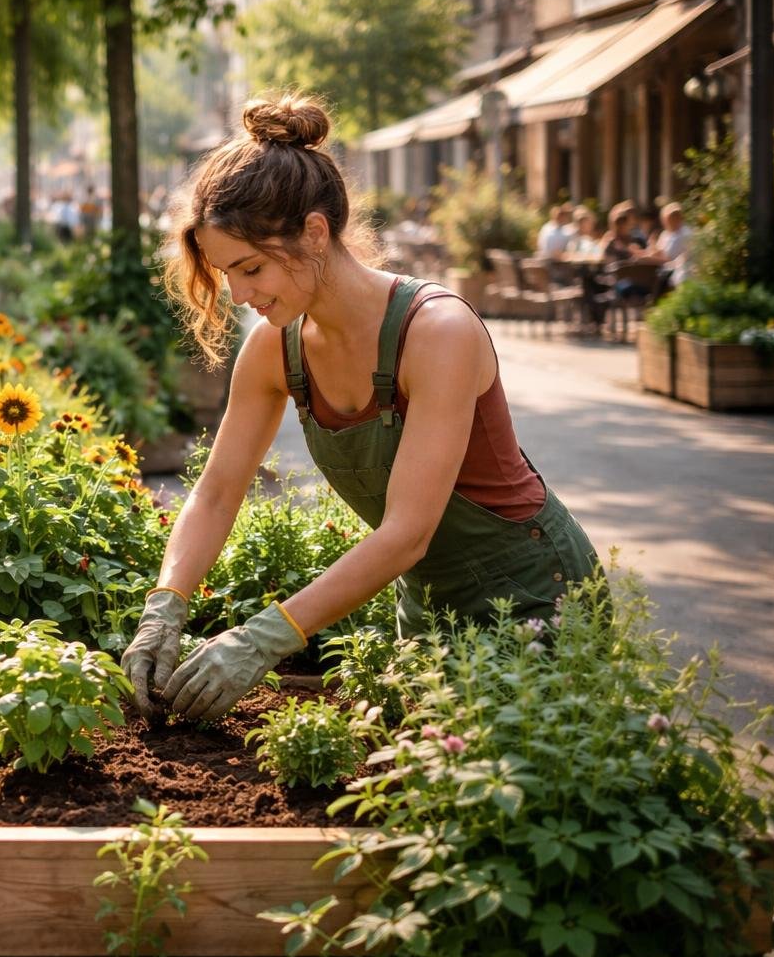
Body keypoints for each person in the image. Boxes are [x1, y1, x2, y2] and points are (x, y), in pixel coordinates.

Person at [120, 93, 600, 723]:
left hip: (537, 598)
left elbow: (407, 532)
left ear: (315, 232)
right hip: (428, 604)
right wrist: (166, 604)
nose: (239, 294)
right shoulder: (275, 349)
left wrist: (263, 638)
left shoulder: (437, 333)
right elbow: (216, 493)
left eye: (253, 267)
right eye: (225, 273)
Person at [639, 201, 692, 289]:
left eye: (667, 221)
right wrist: (649, 249)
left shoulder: (685, 234)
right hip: (664, 269)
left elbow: (669, 259)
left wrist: (647, 258)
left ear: (676, 219)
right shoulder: (666, 233)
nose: (665, 224)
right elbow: (659, 251)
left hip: (677, 272)